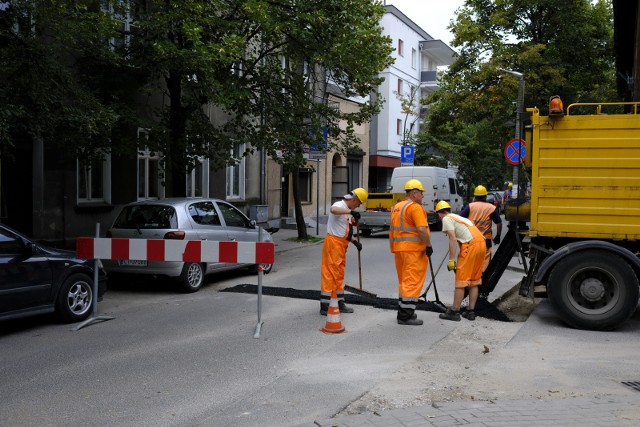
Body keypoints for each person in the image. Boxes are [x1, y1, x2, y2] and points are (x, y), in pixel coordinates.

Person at [389, 179, 434, 326]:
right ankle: (405, 316)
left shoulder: (397, 206)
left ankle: (404, 310)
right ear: (414, 193)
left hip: (399, 249)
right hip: (413, 250)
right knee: (412, 281)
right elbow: (421, 229)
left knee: (404, 281)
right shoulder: (415, 207)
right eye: (421, 193)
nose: (422, 196)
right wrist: (428, 245)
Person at [320, 187, 368, 315]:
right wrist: (351, 212)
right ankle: (325, 304)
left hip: (341, 245)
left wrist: (354, 241)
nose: (357, 207)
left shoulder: (347, 211)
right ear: (354, 199)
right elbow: (333, 210)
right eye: (358, 203)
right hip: (333, 244)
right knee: (330, 273)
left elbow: (344, 231)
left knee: (339, 274)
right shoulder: (339, 205)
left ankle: (339, 302)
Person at [435, 200, 486, 321]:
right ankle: (470, 311)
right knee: (474, 281)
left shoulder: (446, 219)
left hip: (470, 246)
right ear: (449, 209)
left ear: (439, 214)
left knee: (461, 281)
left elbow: (452, 239)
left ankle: (454, 311)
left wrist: (451, 259)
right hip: (481, 245)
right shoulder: (460, 218)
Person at [460, 185, 503, 272]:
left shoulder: (469, 206)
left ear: (475, 196)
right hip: (485, 240)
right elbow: (499, 223)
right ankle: (483, 279)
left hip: (471, 239)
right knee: (485, 263)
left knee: (472, 260)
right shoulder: (491, 208)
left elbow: (460, 219)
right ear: (485, 196)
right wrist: (498, 236)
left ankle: (472, 280)